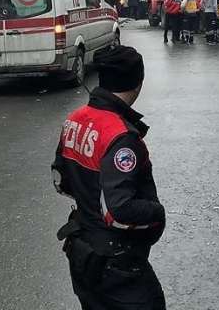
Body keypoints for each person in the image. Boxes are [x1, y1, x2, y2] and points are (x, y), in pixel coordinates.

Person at [51, 45, 166, 309]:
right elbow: (120, 210)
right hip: (117, 262)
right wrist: (157, 213)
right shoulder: (120, 136)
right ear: (138, 82)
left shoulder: (75, 119)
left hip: (82, 249)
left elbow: (61, 179)